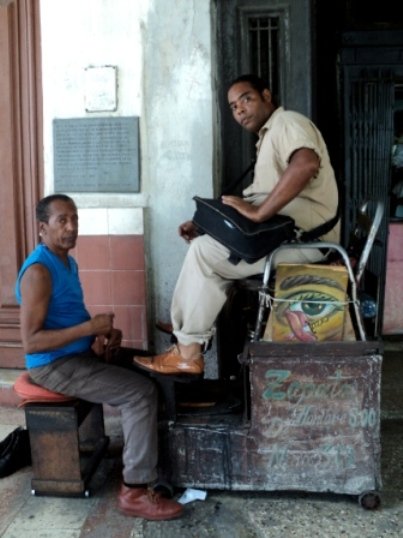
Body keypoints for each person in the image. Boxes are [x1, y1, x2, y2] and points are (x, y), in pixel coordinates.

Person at [133, 73, 340, 376]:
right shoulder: (269, 136)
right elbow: (262, 199)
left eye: (246, 99)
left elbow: (305, 163)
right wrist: (206, 223)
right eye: (232, 106)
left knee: (205, 252)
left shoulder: (287, 123)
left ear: (267, 96)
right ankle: (188, 328)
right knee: (209, 245)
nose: (239, 109)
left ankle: (188, 348)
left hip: (305, 243)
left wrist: (258, 214)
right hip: (282, 239)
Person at [15, 194, 183, 521]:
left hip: (78, 355)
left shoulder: (66, 261)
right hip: (53, 366)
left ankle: (155, 460)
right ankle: (134, 490)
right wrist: (89, 327)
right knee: (139, 393)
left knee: (155, 365)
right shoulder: (39, 271)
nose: (71, 227)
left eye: (74, 219)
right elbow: (32, 343)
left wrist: (100, 334)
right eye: (62, 220)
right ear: (42, 228)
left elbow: (66, 317)